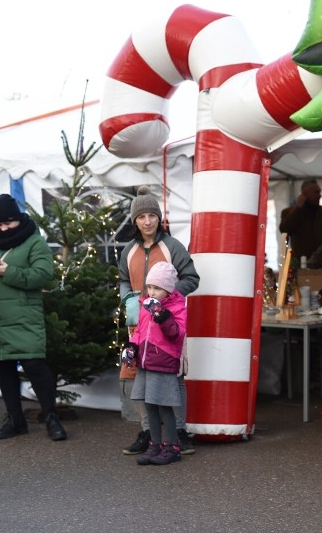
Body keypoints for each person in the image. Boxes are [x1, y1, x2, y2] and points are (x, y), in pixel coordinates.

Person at [118, 186, 199, 456]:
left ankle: (179, 432)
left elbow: (191, 278)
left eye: (152, 215)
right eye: (142, 217)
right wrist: (129, 300)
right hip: (139, 322)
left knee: (173, 375)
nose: (148, 221)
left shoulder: (172, 246)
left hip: (168, 322)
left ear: (159, 217)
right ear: (135, 221)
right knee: (139, 374)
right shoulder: (128, 250)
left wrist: (168, 301)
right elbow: (123, 279)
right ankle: (148, 433)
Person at [0, 194, 67, 441]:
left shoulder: (34, 242)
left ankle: (51, 417)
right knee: (4, 365)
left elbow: (43, 275)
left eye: (7, 223)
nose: (2, 229)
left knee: (35, 365)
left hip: (25, 315)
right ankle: (16, 419)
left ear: (17, 219)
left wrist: (7, 271)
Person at [124, 262, 188, 465]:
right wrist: (132, 347)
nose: (152, 291)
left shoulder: (177, 308)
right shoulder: (145, 305)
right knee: (149, 405)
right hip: (146, 363)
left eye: (157, 288)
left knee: (164, 406)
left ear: (168, 289)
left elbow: (177, 335)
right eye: (149, 286)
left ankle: (172, 446)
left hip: (163, 362)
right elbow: (140, 332)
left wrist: (163, 316)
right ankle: (155, 444)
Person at [279, 179, 322, 259]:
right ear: (305, 194)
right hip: (300, 262)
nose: (320, 195)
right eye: (316, 192)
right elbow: (284, 230)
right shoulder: (288, 212)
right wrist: (297, 209)